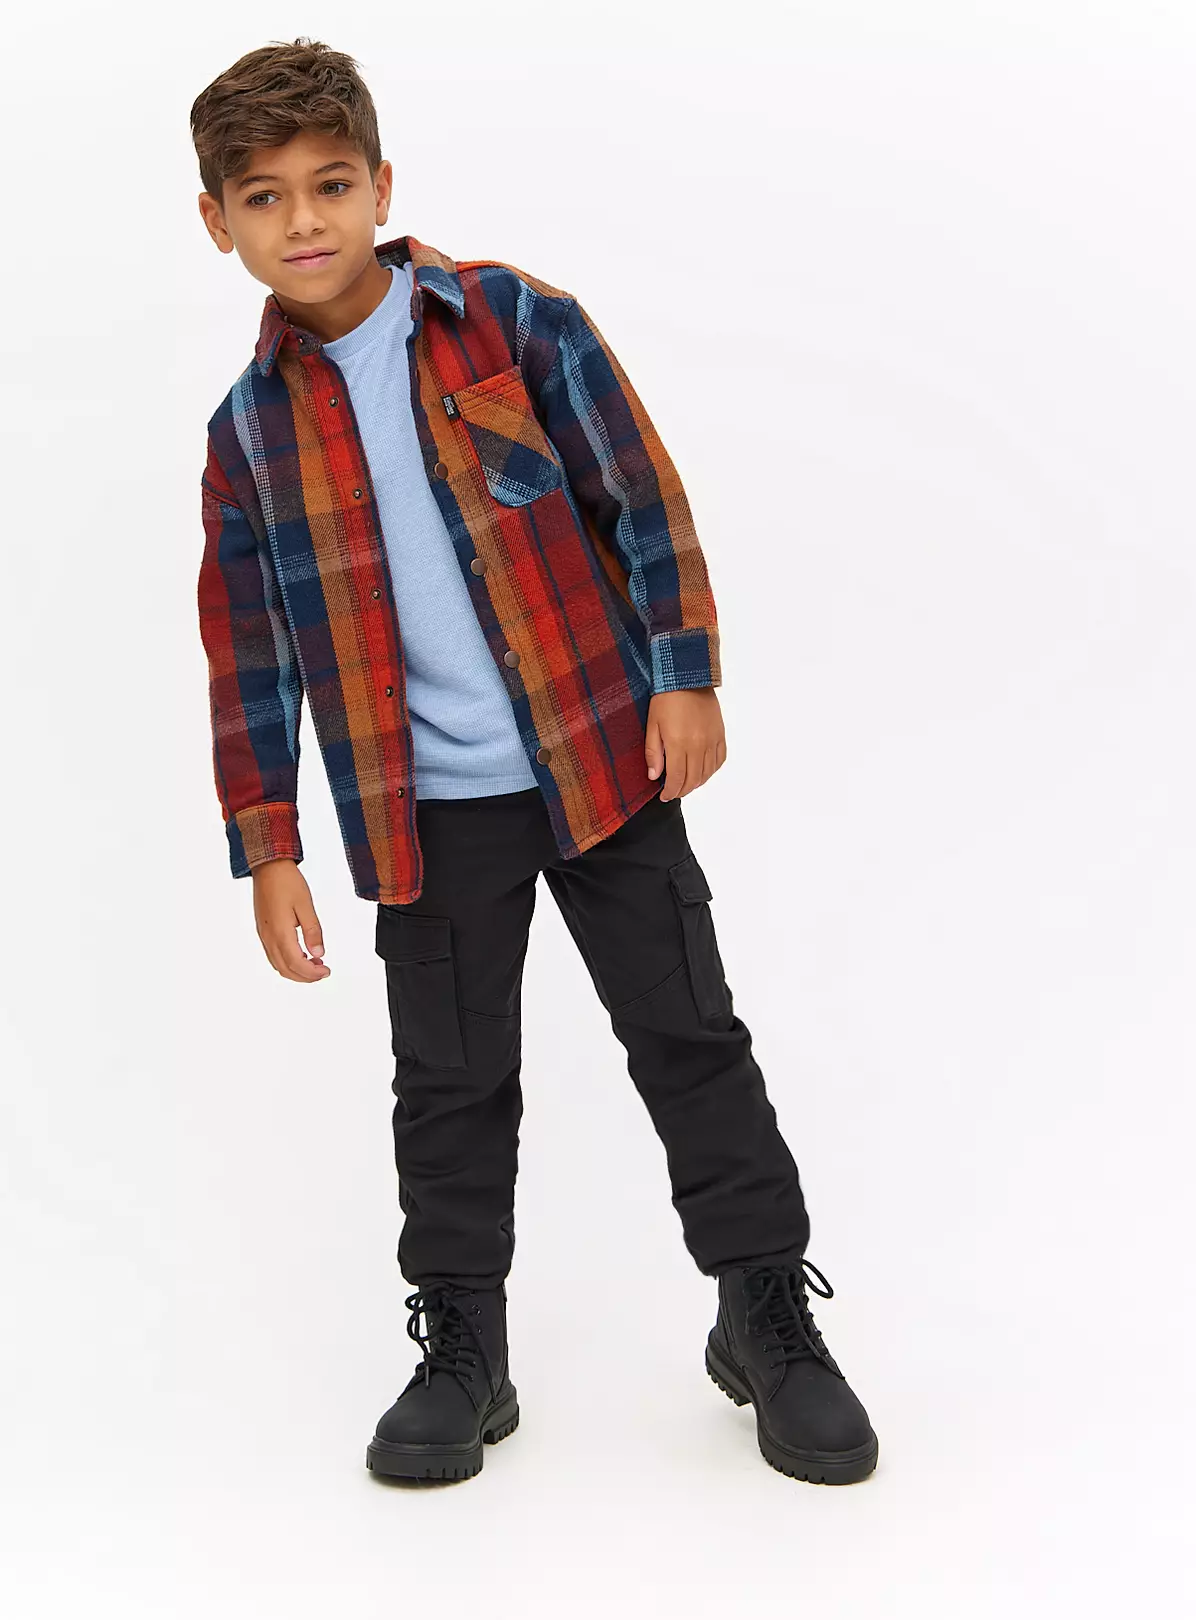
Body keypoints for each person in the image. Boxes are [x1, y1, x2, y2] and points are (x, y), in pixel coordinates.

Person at [191, 35, 879, 1487]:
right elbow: (247, 650)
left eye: (330, 184)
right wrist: (269, 845)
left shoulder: (510, 320)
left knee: (688, 1035)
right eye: (264, 197)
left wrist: (684, 675)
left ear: (383, 186)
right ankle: (464, 1344)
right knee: (448, 1083)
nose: (304, 220)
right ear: (218, 222)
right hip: (425, 812)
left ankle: (765, 1311)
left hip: (603, 762)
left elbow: (642, 495)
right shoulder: (247, 434)